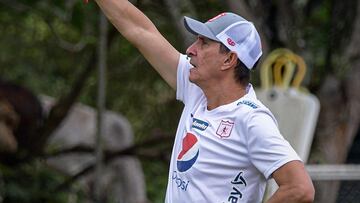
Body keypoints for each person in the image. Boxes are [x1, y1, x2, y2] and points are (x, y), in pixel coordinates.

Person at [93, 0, 315, 202]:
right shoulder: (196, 90)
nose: (190, 50)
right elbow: (141, 31)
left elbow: (300, 188)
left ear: (229, 59)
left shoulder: (251, 119)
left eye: (204, 43)